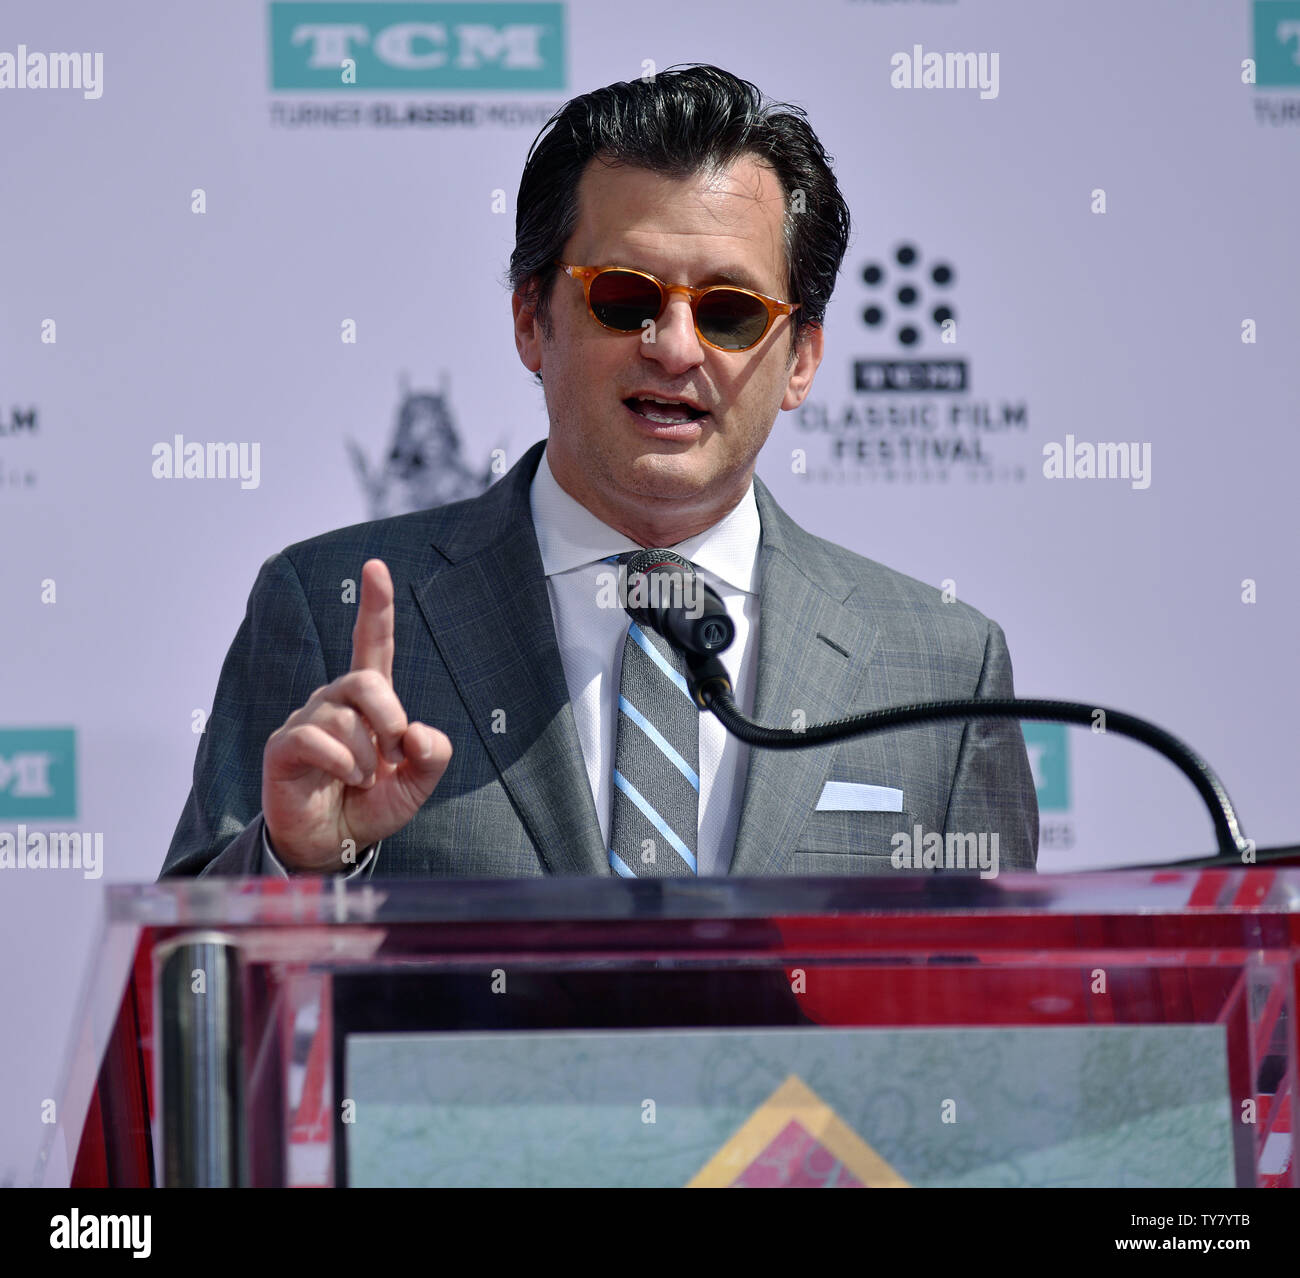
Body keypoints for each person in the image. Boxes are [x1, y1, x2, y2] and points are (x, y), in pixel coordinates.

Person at [159, 64, 1037, 881]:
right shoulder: (328, 605)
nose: (675, 348)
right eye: (625, 297)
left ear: (801, 359)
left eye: (731, 312)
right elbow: (187, 996)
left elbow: (1001, 1020)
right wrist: (296, 864)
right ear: (531, 321)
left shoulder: (941, 668)